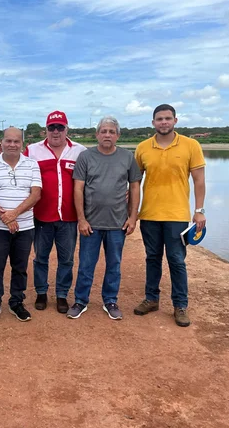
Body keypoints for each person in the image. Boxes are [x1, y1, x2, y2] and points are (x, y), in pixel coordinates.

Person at [133, 104, 206, 327]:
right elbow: (134, 183)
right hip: (150, 214)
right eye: (159, 119)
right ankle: (151, 299)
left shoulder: (190, 145)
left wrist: (199, 211)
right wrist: (131, 212)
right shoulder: (143, 148)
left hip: (177, 215)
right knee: (152, 258)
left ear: (175, 120)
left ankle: (180, 305)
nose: (163, 122)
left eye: (167, 118)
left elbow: (199, 181)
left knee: (176, 260)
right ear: (153, 122)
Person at [67, 117, 141, 320]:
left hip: (117, 223)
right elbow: (78, 188)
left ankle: (110, 300)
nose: (107, 135)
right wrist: (81, 219)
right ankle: (81, 300)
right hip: (91, 223)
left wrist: (133, 217)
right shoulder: (85, 157)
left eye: (111, 131)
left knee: (114, 265)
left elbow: (134, 187)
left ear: (117, 135)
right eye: (103, 131)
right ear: (97, 134)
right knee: (85, 264)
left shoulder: (127, 157)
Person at [24, 111, 87, 313]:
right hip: (42, 215)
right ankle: (41, 292)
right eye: (52, 127)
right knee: (40, 257)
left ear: (67, 129)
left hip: (69, 216)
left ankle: (61, 294)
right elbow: (13, 166)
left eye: (60, 127)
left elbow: (95, 177)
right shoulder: (32, 150)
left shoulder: (80, 151)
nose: (56, 131)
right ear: (46, 129)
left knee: (66, 259)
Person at [0, 127, 42, 323]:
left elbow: (35, 195)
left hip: (24, 227)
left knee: (20, 267)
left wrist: (14, 214)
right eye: (8, 141)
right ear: (2, 142)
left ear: (22, 144)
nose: (12, 144)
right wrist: (5, 217)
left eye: (16, 141)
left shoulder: (32, 165)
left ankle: (16, 302)